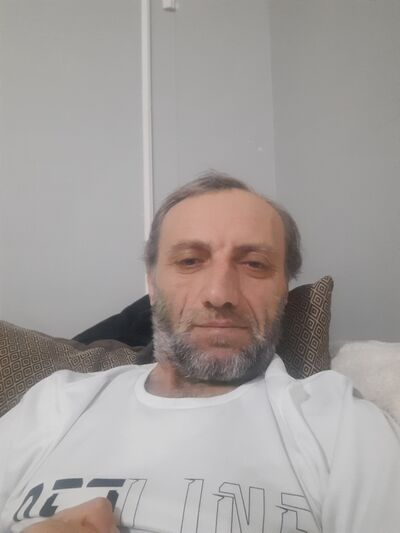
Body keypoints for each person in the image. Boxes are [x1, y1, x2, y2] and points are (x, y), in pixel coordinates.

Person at [0, 173, 399, 533]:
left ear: (284, 289)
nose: (219, 294)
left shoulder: (341, 425)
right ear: (152, 284)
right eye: (190, 261)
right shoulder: (55, 403)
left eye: (254, 264)